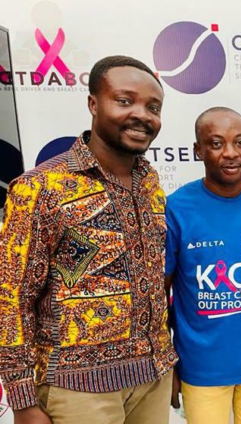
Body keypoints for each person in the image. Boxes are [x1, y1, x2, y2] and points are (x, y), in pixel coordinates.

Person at [0, 55, 176, 424]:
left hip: (153, 377)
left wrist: (166, 360)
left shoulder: (150, 182)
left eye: (153, 107)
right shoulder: (41, 187)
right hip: (78, 389)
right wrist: (22, 400)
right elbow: (11, 298)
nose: (142, 115)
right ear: (93, 104)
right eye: (124, 101)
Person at [165, 107, 241, 424]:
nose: (231, 153)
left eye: (240, 142)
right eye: (217, 144)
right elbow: (160, 292)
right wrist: (167, 362)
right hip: (201, 366)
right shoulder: (177, 207)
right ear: (198, 150)